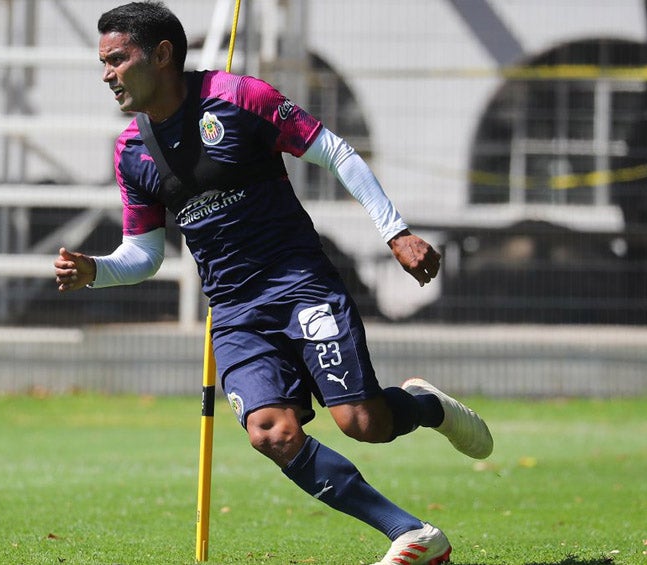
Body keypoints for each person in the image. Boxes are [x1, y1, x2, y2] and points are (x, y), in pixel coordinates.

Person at [54, 3, 493, 563]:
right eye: (104, 63)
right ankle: (412, 534)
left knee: (363, 423)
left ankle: (424, 406)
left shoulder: (239, 97)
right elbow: (144, 255)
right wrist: (96, 271)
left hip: (300, 285)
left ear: (161, 55)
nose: (107, 74)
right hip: (235, 313)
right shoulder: (132, 151)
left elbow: (334, 152)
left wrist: (395, 232)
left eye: (117, 60)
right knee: (271, 432)